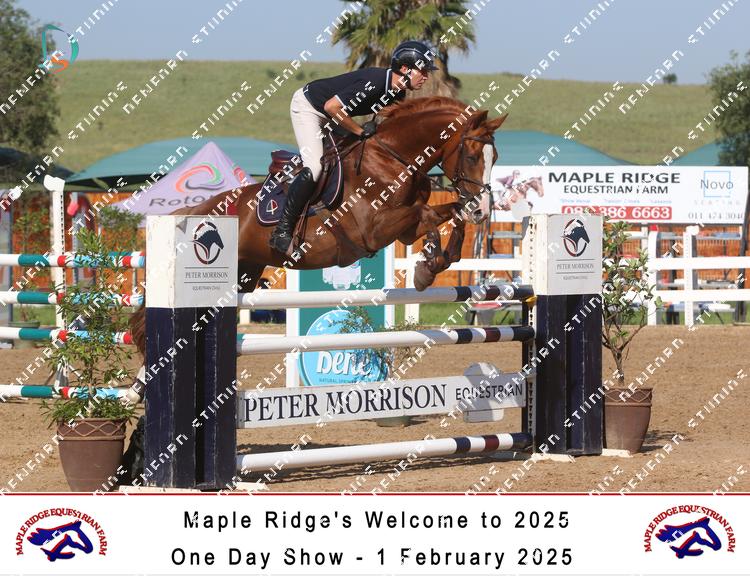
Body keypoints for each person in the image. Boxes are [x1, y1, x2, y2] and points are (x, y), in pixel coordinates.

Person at [269, 40, 438, 256]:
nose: (426, 76)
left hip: (333, 116)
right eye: (423, 70)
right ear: (405, 69)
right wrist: (359, 131)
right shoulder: (376, 81)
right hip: (310, 109)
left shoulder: (398, 92)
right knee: (315, 167)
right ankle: (282, 230)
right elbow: (332, 106)